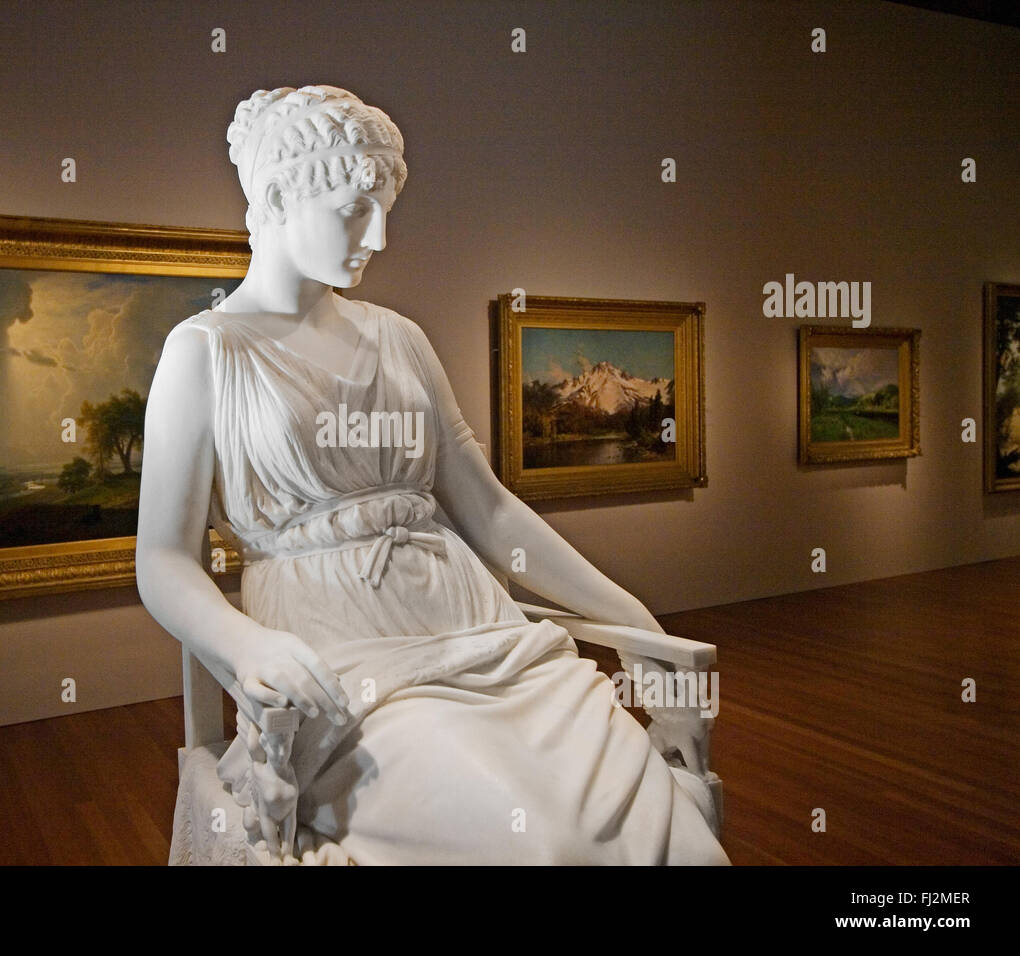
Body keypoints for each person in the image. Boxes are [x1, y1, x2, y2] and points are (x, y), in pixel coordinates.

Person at [136, 84, 730, 865]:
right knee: (544, 842)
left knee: (665, 835)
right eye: (355, 207)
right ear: (278, 195)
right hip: (341, 660)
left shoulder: (399, 338)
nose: (379, 235)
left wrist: (640, 625)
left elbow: (491, 512)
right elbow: (163, 558)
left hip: (485, 633)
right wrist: (245, 645)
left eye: (386, 208)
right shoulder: (206, 351)